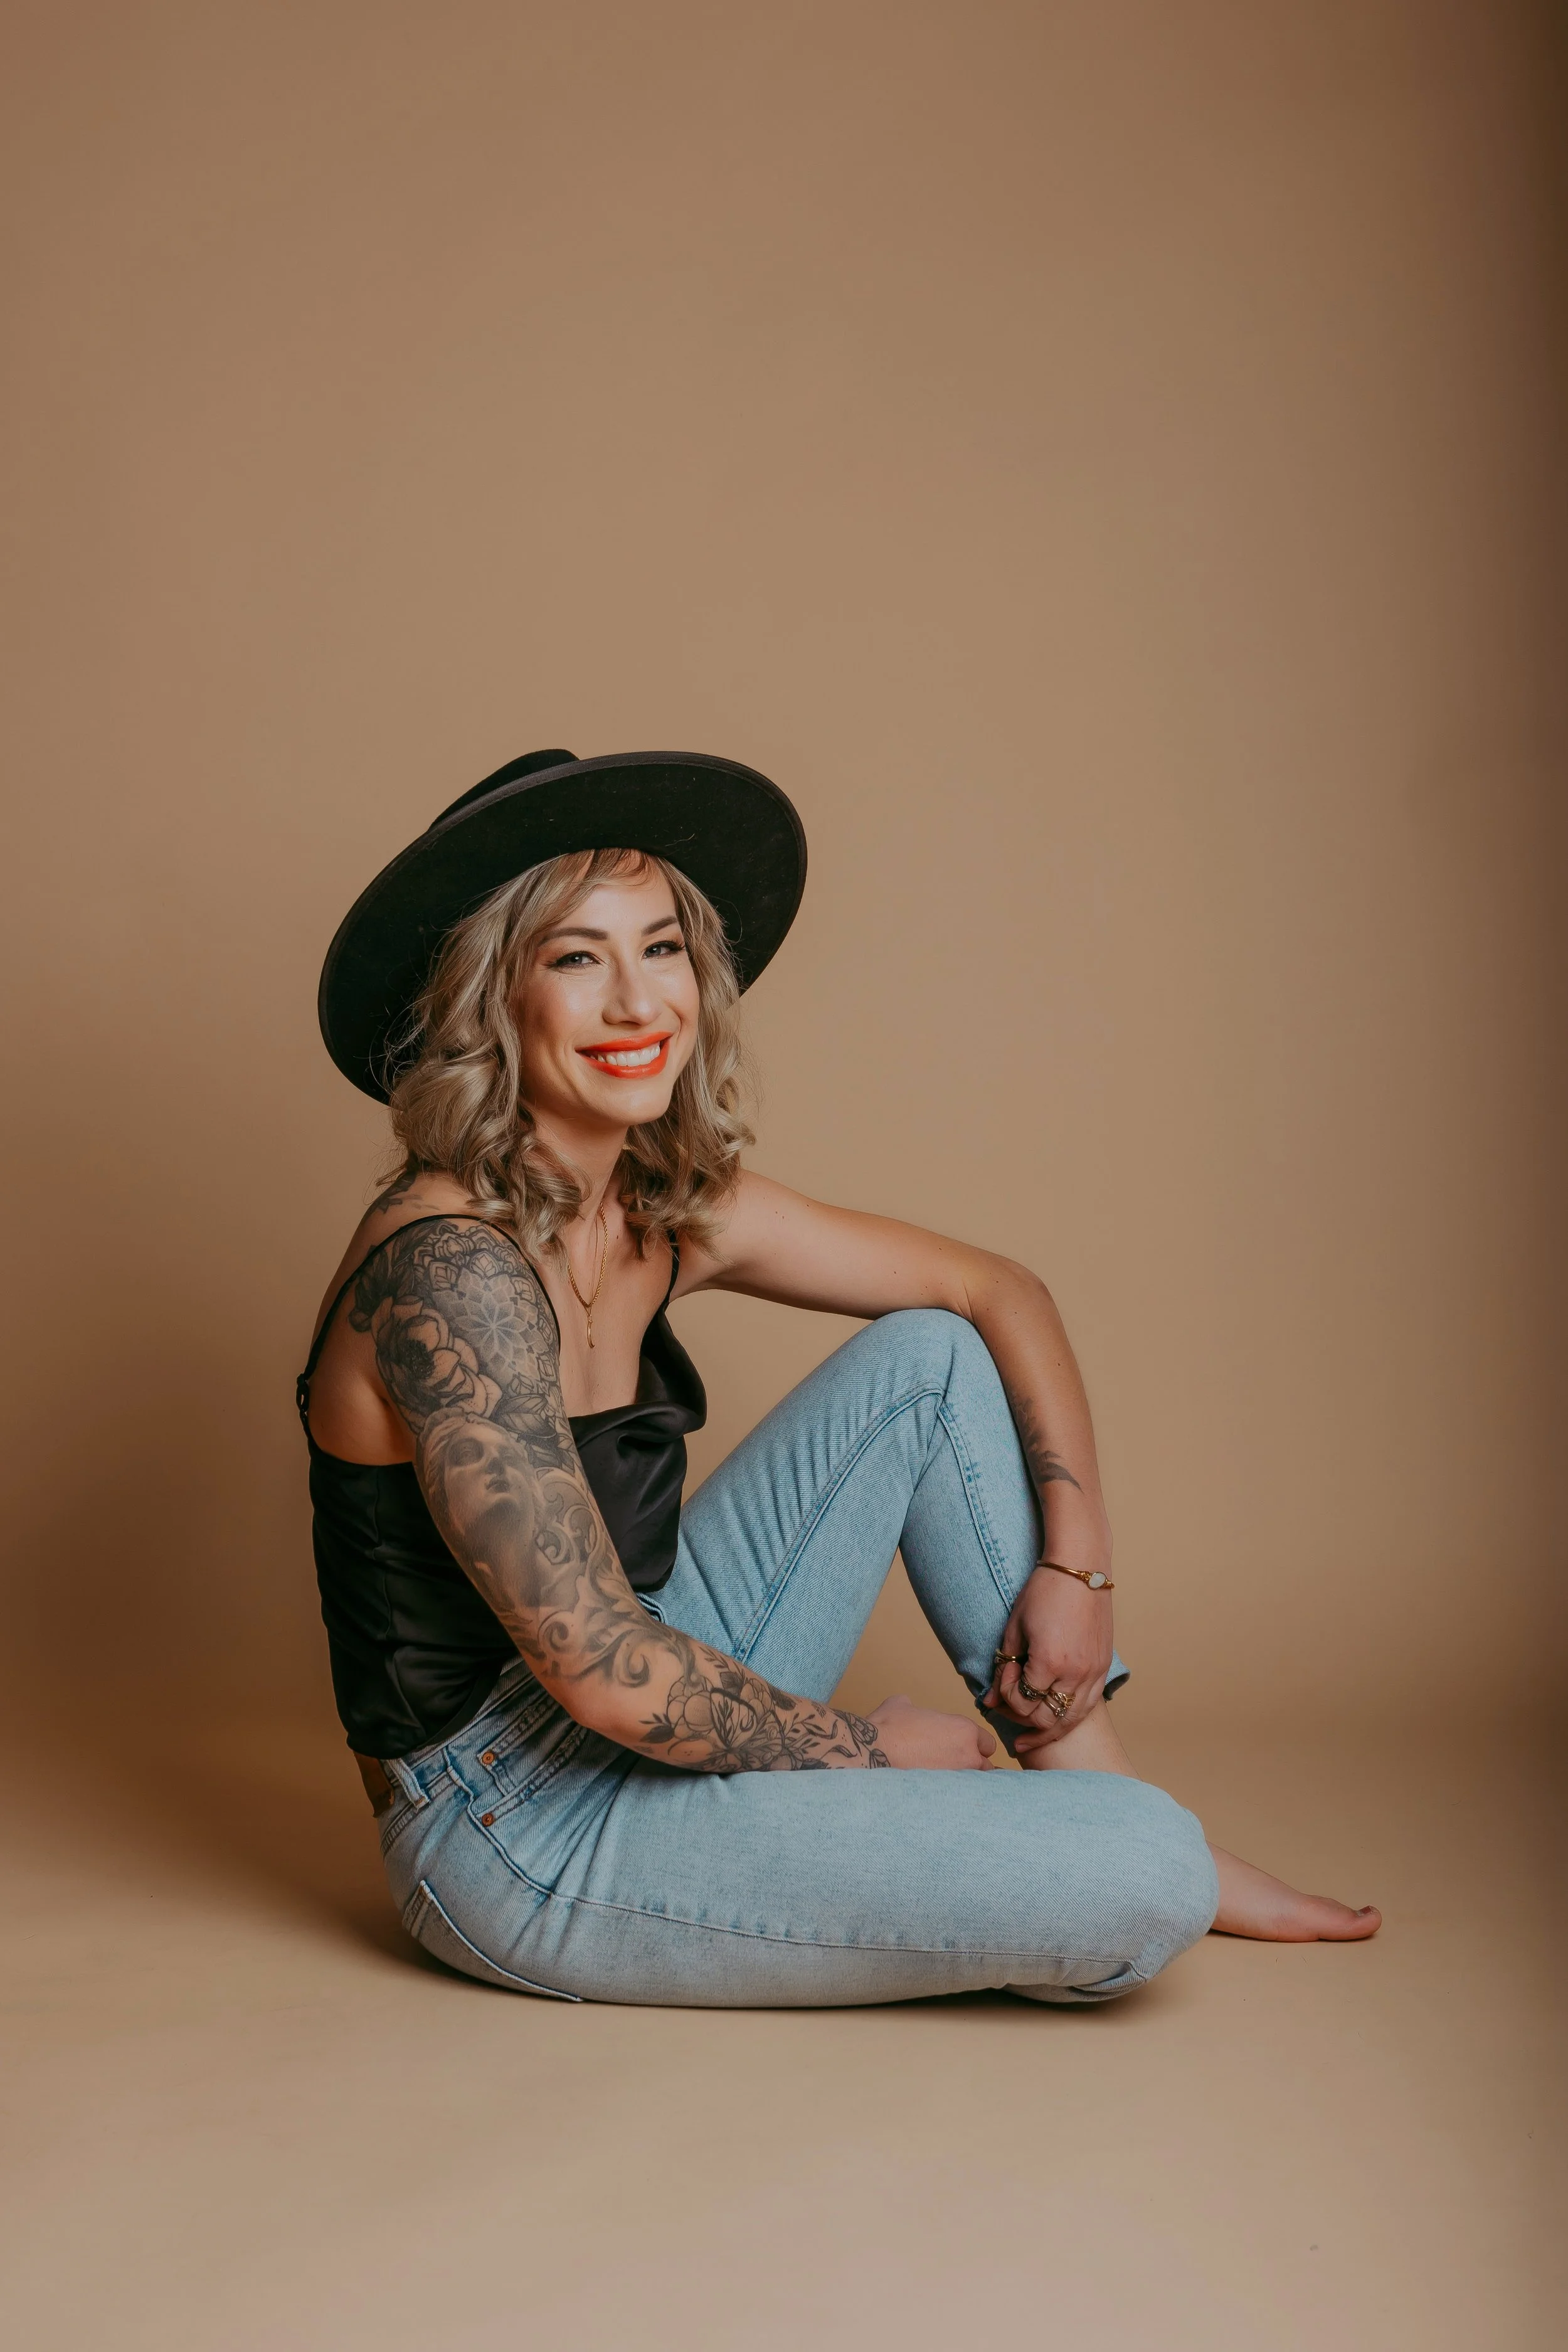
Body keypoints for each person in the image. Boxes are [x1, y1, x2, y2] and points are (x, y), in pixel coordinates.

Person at [299, 748, 1379, 2007]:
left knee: (926, 1364)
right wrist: (864, 1751)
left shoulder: (653, 1206)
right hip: (508, 1830)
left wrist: (1077, 1567)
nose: (636, 1001)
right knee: (1146, 1880)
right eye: (575, 958)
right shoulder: (452, 1272)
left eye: (661, 950)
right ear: (493, 999)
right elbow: (595, 1668)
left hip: (645, 1679)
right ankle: (1140, 1837)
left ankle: (1106, 1786)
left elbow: (993, 1291)